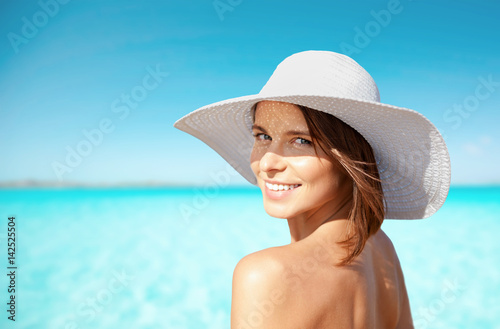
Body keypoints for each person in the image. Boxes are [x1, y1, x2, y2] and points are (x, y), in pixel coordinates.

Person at [174, 50, 451, 328]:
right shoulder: (380, 246)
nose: (267, 162)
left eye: (301, 141)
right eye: (263, 136)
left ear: (349, 158)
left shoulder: (265, 275)